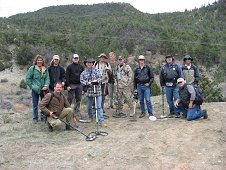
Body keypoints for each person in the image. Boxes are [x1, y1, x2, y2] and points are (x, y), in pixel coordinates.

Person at [80, 58, 105, 126]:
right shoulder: (83, 73)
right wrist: (89, 83)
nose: (89, 64)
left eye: (90, 63)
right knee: (89, 106)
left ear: (92, 64)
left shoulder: (97, 71)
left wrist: (96, 81)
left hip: (97, 91)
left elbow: (101, 78)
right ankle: (91, 117)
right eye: (88, 63)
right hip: (89, 92)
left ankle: (101, 120)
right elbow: (82, 81)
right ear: (86, 64)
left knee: (99, 106)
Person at [26, 54, 50, 123]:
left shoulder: (45, 69)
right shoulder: (32, 68)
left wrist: (46, 85)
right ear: (36, 61)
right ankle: (35, 118)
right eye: (38, 60)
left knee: (44, 104)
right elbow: (28, 79)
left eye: (41, 60)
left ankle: (43, 116)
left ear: (42, 61)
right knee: (35, 104)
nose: (39, 61)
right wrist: (33, 87)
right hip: (35, 90)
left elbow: (47, 78)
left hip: (44, 90)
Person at [134, 55, 156, 121]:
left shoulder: (148, 68)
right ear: (138, 61)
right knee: (141, 100)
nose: (141, 61)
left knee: (148, 100)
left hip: (146, 86)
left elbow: (152, 77)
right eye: (140, 60)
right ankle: (143, 112)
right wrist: (135, 88)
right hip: (139, 86)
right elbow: (135, 79)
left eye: (142, 60)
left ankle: (150, 113)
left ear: (144, 60)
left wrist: (149, 83)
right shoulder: (137, 69)